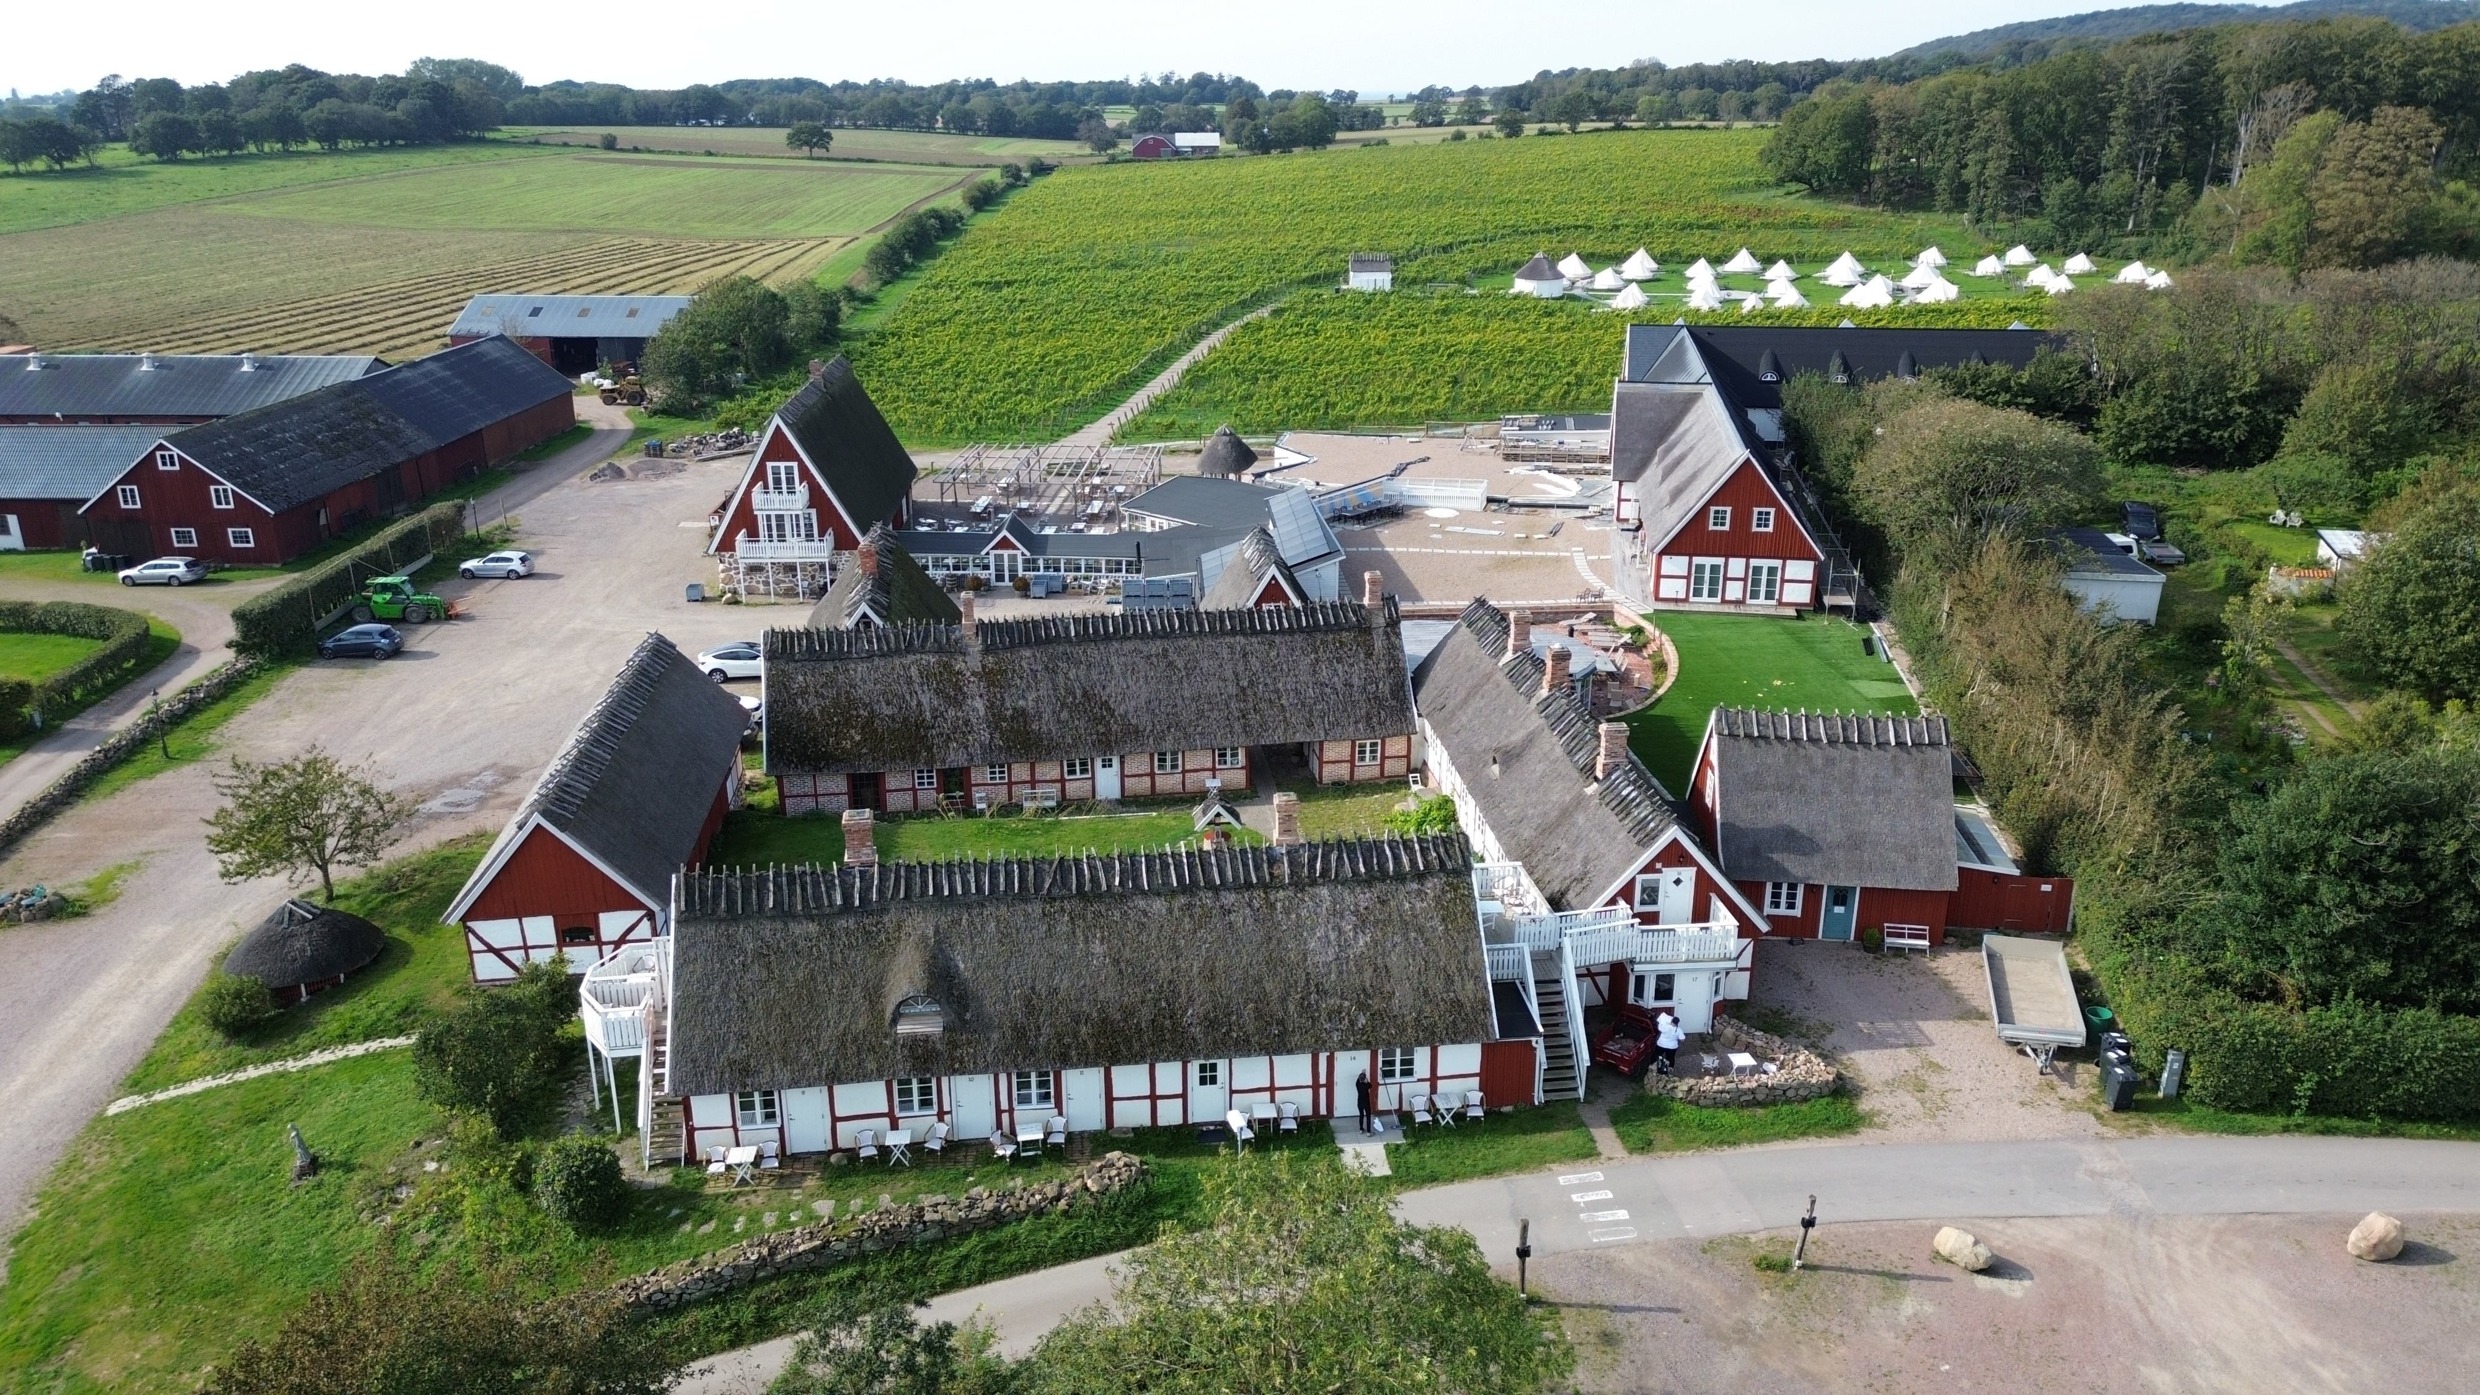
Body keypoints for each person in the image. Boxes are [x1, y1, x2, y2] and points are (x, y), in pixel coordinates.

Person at [1654, 1010, 1682, 1077]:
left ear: (1671, 1021)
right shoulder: (1679, 1030)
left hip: (1661, 1044)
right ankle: (1670, 1070)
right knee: (1670, 1058)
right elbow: (1682, 1039)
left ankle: (1656, 1067)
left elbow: (1659, 1027)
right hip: (1672, 1047)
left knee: (1658, 1055)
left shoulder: (1665, 1027)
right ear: (1677, 1023)